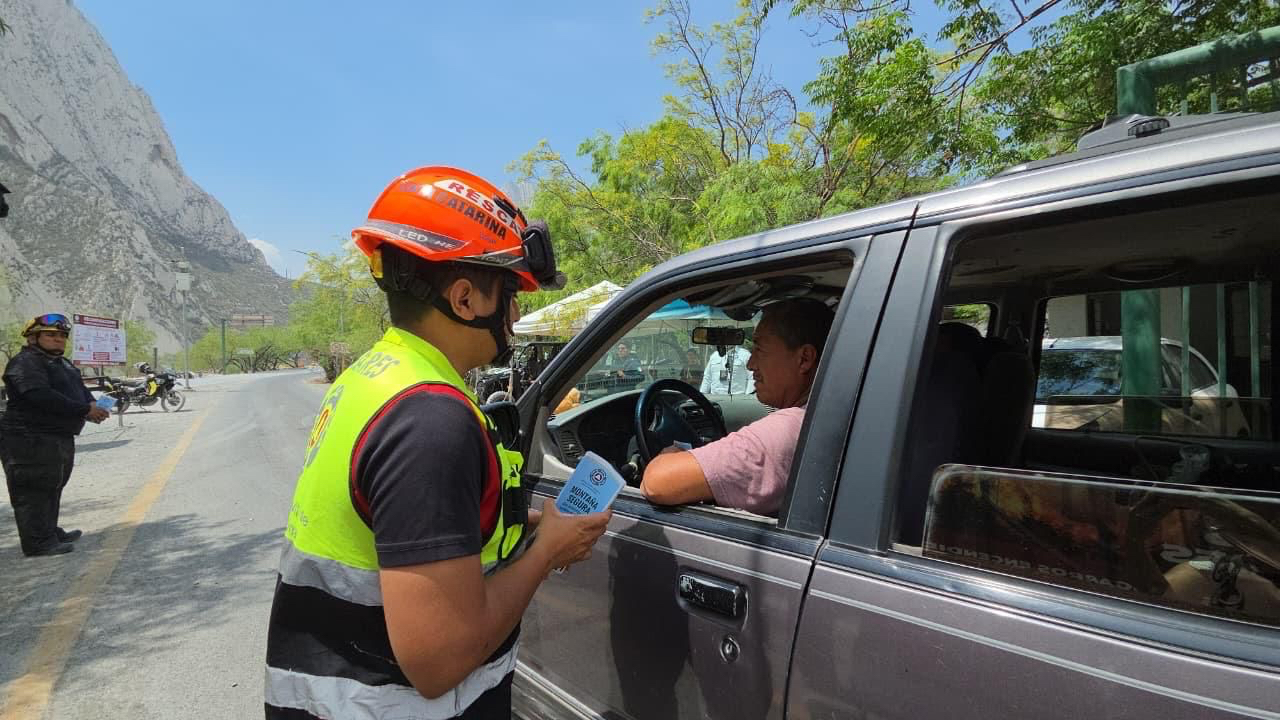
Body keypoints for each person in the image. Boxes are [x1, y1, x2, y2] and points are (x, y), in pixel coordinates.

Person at [265, 167, 611, 720]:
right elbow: (440, 659)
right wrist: (546, 553)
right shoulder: (430, 420)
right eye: (511, 293)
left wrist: (522, 533)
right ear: (466, 297)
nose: (516, 313)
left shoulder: (374, 377)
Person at [641, 299, 834, 516]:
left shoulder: (788, 430)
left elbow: (658, 482)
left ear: (804, 359)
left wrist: (672, 454)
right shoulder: (828, 415)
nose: (751, 364)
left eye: (759, 349)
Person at [0, 313, 110, 556]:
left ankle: (48, 530)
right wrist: (84, 410)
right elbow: (39, 395)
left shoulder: (62, 363)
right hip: (28, 438)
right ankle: (37, 542)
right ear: (32, 337)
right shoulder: (24, 363)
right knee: (33, 489)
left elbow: (78, 390)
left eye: (62, 336)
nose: (58, 339)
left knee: (53, 484)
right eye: (50, 335)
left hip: (56, 436)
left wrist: (92, 406)